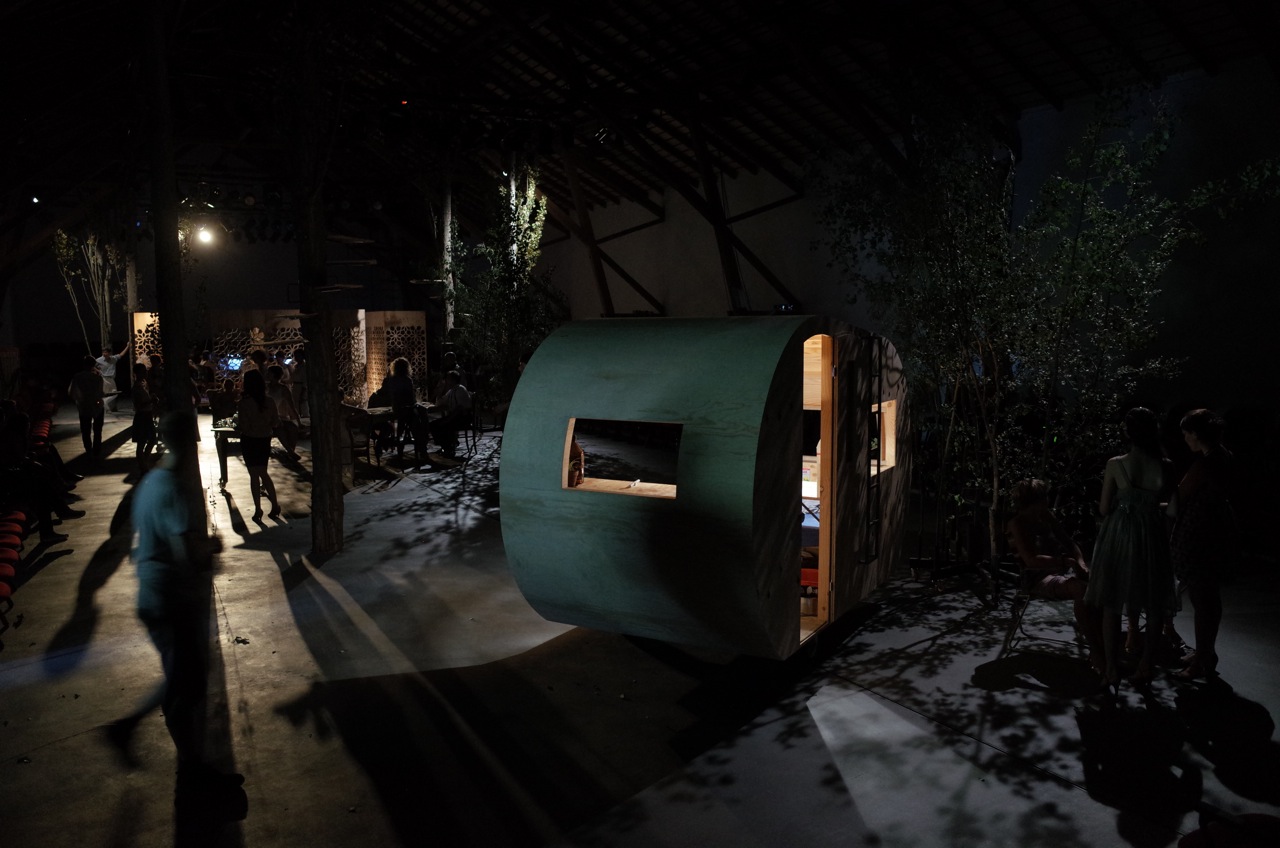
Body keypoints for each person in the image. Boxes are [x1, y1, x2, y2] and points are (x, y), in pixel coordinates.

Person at [101, 410, 241, 789]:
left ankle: (189, 764)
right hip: (168, 595)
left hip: (151, 592)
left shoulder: (150, 482)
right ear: (189, 441)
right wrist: (209, 550)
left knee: (182, 680)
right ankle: (144, 737)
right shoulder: (174, 488)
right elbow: (184, 554)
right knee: (187, 681)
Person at [1084, 408, 1177, 689]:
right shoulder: (1167, 465)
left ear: (1128, 432)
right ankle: (1146, 665)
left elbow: (1103, 508)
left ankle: (1111, 669)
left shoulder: (1116, 464)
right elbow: (1173, 510)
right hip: (1152, 536)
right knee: (1154, 601)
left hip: (1120, 535)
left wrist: (1125, 503)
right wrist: (1150, 505)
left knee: (1111, 601)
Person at [1005, 478, 1105, 674]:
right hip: (1035, 579)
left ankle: (1103, 642)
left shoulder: (1045, 516)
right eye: (1044, 497)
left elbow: (1069, 543)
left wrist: (1081, 563)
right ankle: (1097, 650)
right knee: (1081, 590)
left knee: (1101, 584)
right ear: (1035, 500)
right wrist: (1065, 562)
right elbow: (1031, 560)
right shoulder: (1017, 523)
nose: (1047, 500)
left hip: (1060, 571)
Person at [1169, 408, 1238, 681]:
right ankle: (1204, 652)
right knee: (1208, 597)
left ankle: (1202, 660)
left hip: (1201, 535)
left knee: (1202, 598)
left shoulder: (1205, 464)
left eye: (1186, 434)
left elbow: (1179, 497)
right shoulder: (1224, 456)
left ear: (1196, 434)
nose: (1185, 439)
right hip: (1217, 530)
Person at [237, 369, 280, 520]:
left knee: (253, 475)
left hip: (249, 440)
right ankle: (275, 505)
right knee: (263, 473)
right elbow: (275, 422)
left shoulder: (244, 403)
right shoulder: (269, 401)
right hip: (264, 439)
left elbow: (243, 426)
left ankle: (258, 509)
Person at [429, 370, 473, 460]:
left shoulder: (460, 389)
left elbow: (460, 409)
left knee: (443, 425)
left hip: (463, 418)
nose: (446, 381)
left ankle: (449, 448)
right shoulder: (451, 391)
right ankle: (446, 446)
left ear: (453, 380)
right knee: (433, 425)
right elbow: (440, 403)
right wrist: (439, 392)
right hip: (454, 417)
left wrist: (447, 419)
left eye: (448, 379)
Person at [68, 355, 105, 456]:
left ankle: (88, 450)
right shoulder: (97, 377)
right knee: (98, 430)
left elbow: (71, 392)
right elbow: (100, 393)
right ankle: (97, 450)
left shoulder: (77, 377)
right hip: (97, 406)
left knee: (85, 430)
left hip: (84, 406)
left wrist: (79, 400)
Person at [380, 357, 417, 457]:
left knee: (400, 423)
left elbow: (390, 395)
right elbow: (411, 398)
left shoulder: (392, 380)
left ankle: (392, 442)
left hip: (396, 408)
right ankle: (419, 445)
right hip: (407, 409)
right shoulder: (407, 380)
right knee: (413, 418)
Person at [127, 362, 157, 484]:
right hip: (142, 416)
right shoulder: (136, 388)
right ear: (137, 373)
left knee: (151, 440)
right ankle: (143, 465)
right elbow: (139, 405)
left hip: (147, 415)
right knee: (142, 443)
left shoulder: (143, 384)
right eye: (143, 371)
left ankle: (143, 463)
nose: (145, 373)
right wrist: (151, 400)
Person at [266, 364, 301, 460]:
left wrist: (299, 422)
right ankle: (290, 451)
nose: (266, 374)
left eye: (269, 373)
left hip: (276, 416)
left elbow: (292, 406)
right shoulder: (265, 387)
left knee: (293, 428)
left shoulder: (283, 389)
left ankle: (290, 451)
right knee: (279, 427)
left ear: (274, 375)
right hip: (265, 416)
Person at [97, 340, 130, 412]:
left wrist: (127, 346)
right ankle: (104, 406)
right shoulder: (99, 360)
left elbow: (121, 354)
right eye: (103, 352)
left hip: (111, 379)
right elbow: (92, 366)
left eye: (106, 352)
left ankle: (104, 403)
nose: (104, 354)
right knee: (107, 393)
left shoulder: (113, 358)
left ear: (109, 353)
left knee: (114, 393)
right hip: (104, 379)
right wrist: (98, 371)